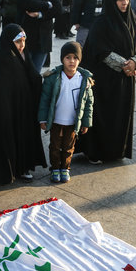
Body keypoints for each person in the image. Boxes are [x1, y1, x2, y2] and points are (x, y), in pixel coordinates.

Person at [79, 0, 136, 163]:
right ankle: (96, 151)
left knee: (121, 116)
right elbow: (98, 49)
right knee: (104, 116)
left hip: (126, 80)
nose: (124, 3)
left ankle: (117, 150)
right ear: (112, 1)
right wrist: (125, 64)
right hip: (106, 80)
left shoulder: (135, 21)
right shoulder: (102, 22)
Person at [0, 24, 47, 184]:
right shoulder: (2, 58)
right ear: (9, 41)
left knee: (23, 135)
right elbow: (0, 90)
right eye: (18, 41)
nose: (22, 45)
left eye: (24, 41)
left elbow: (32, 76)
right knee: (7, 138)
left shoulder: (23, 55)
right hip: (6, 109)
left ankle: (23, 166)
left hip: (23, 107)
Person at [38, 42, 93, 183]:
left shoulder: (84, 79)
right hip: (56, 120)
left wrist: (86, 122)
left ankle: (65, 168)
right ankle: (55, 168)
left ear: (79, 60)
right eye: (68, 57)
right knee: (55, 146)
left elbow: (88, 103)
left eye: (75, 58)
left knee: (69, 147)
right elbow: (44, 99)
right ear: (62, 59)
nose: (72, 61)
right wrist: (42, 119)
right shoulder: (54, 77)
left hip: (72, 121)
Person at [15, 0, 62, 73]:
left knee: (36, 73)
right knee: (22, 72)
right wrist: (48, 4)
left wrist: (40, 14)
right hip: (26, 38)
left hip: (43, 40)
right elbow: (27, 3)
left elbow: (58, 9)